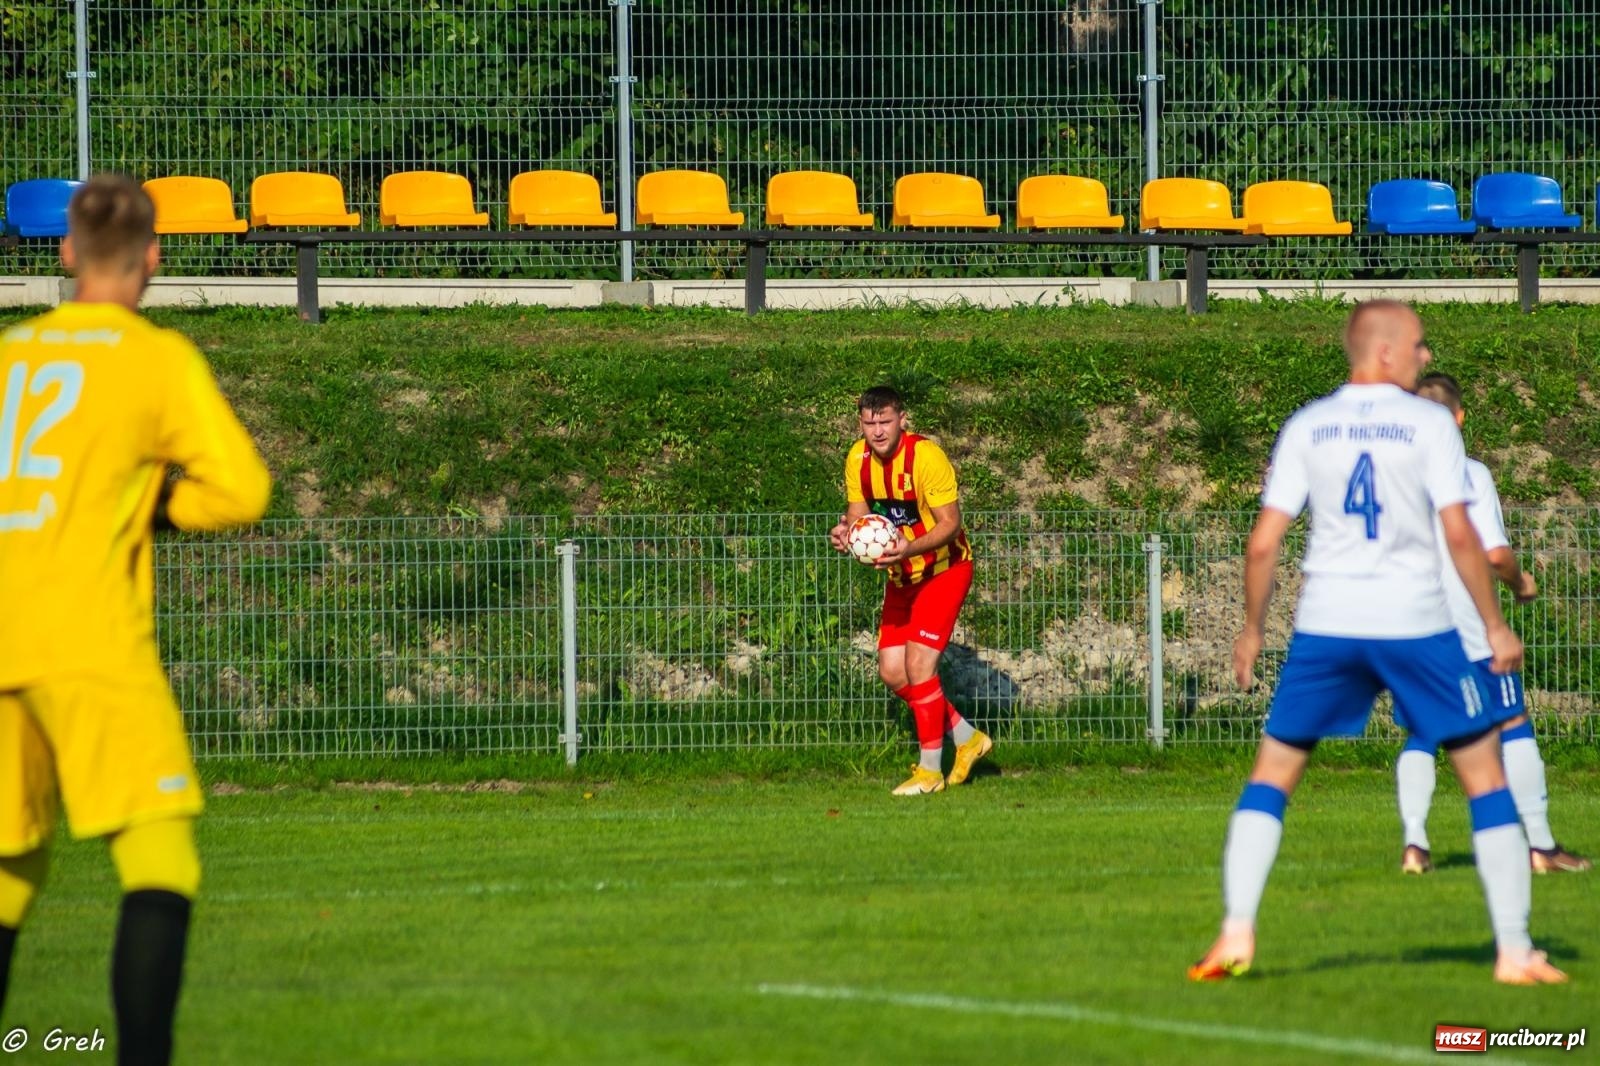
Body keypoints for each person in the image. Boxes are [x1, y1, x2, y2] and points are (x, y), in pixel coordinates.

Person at [1190, 300, 1565, 986]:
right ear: (1386, 351)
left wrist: (1251, 630)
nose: (1426, 358)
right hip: (1416, 624)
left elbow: (1264, 541)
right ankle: (1514, 951)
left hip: (1328, 624)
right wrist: (1496, 623)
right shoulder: (1428, 423)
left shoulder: (1309, 423)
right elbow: (1460, 535)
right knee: (1484, 775)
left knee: (1272, 776)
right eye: (1419, 346)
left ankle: (1235, 930)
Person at [0, 174, 272, 1063]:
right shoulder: (153, 359)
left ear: (67, 252)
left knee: (8, 872)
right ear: (154, 256)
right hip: (87, 633)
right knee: (161, 861)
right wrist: (156, 506)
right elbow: (243, 490)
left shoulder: (9, 355)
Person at [1396, 371, 1589, 876]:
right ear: (1459, 418)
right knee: (1511, 723)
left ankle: (1414, 843)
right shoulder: (1468, 472)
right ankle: (1541, 846)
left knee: (1420, 734)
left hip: (1406, 624)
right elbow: (1496, 553)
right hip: (1466, 621)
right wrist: (1519, 582)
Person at [829, 385, 989, 795]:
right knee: (892, 672)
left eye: (884, 421)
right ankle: (967, 737)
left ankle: (930, 771)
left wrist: (907, 547)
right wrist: (848, 533)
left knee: (920, 668)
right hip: (902, 577)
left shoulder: (926, 457)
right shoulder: (857, 459)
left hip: (944, 571)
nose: (877, 431)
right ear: (860, 423)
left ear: (902, 419)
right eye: (869, 423)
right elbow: (859, 515)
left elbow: (950, 523)